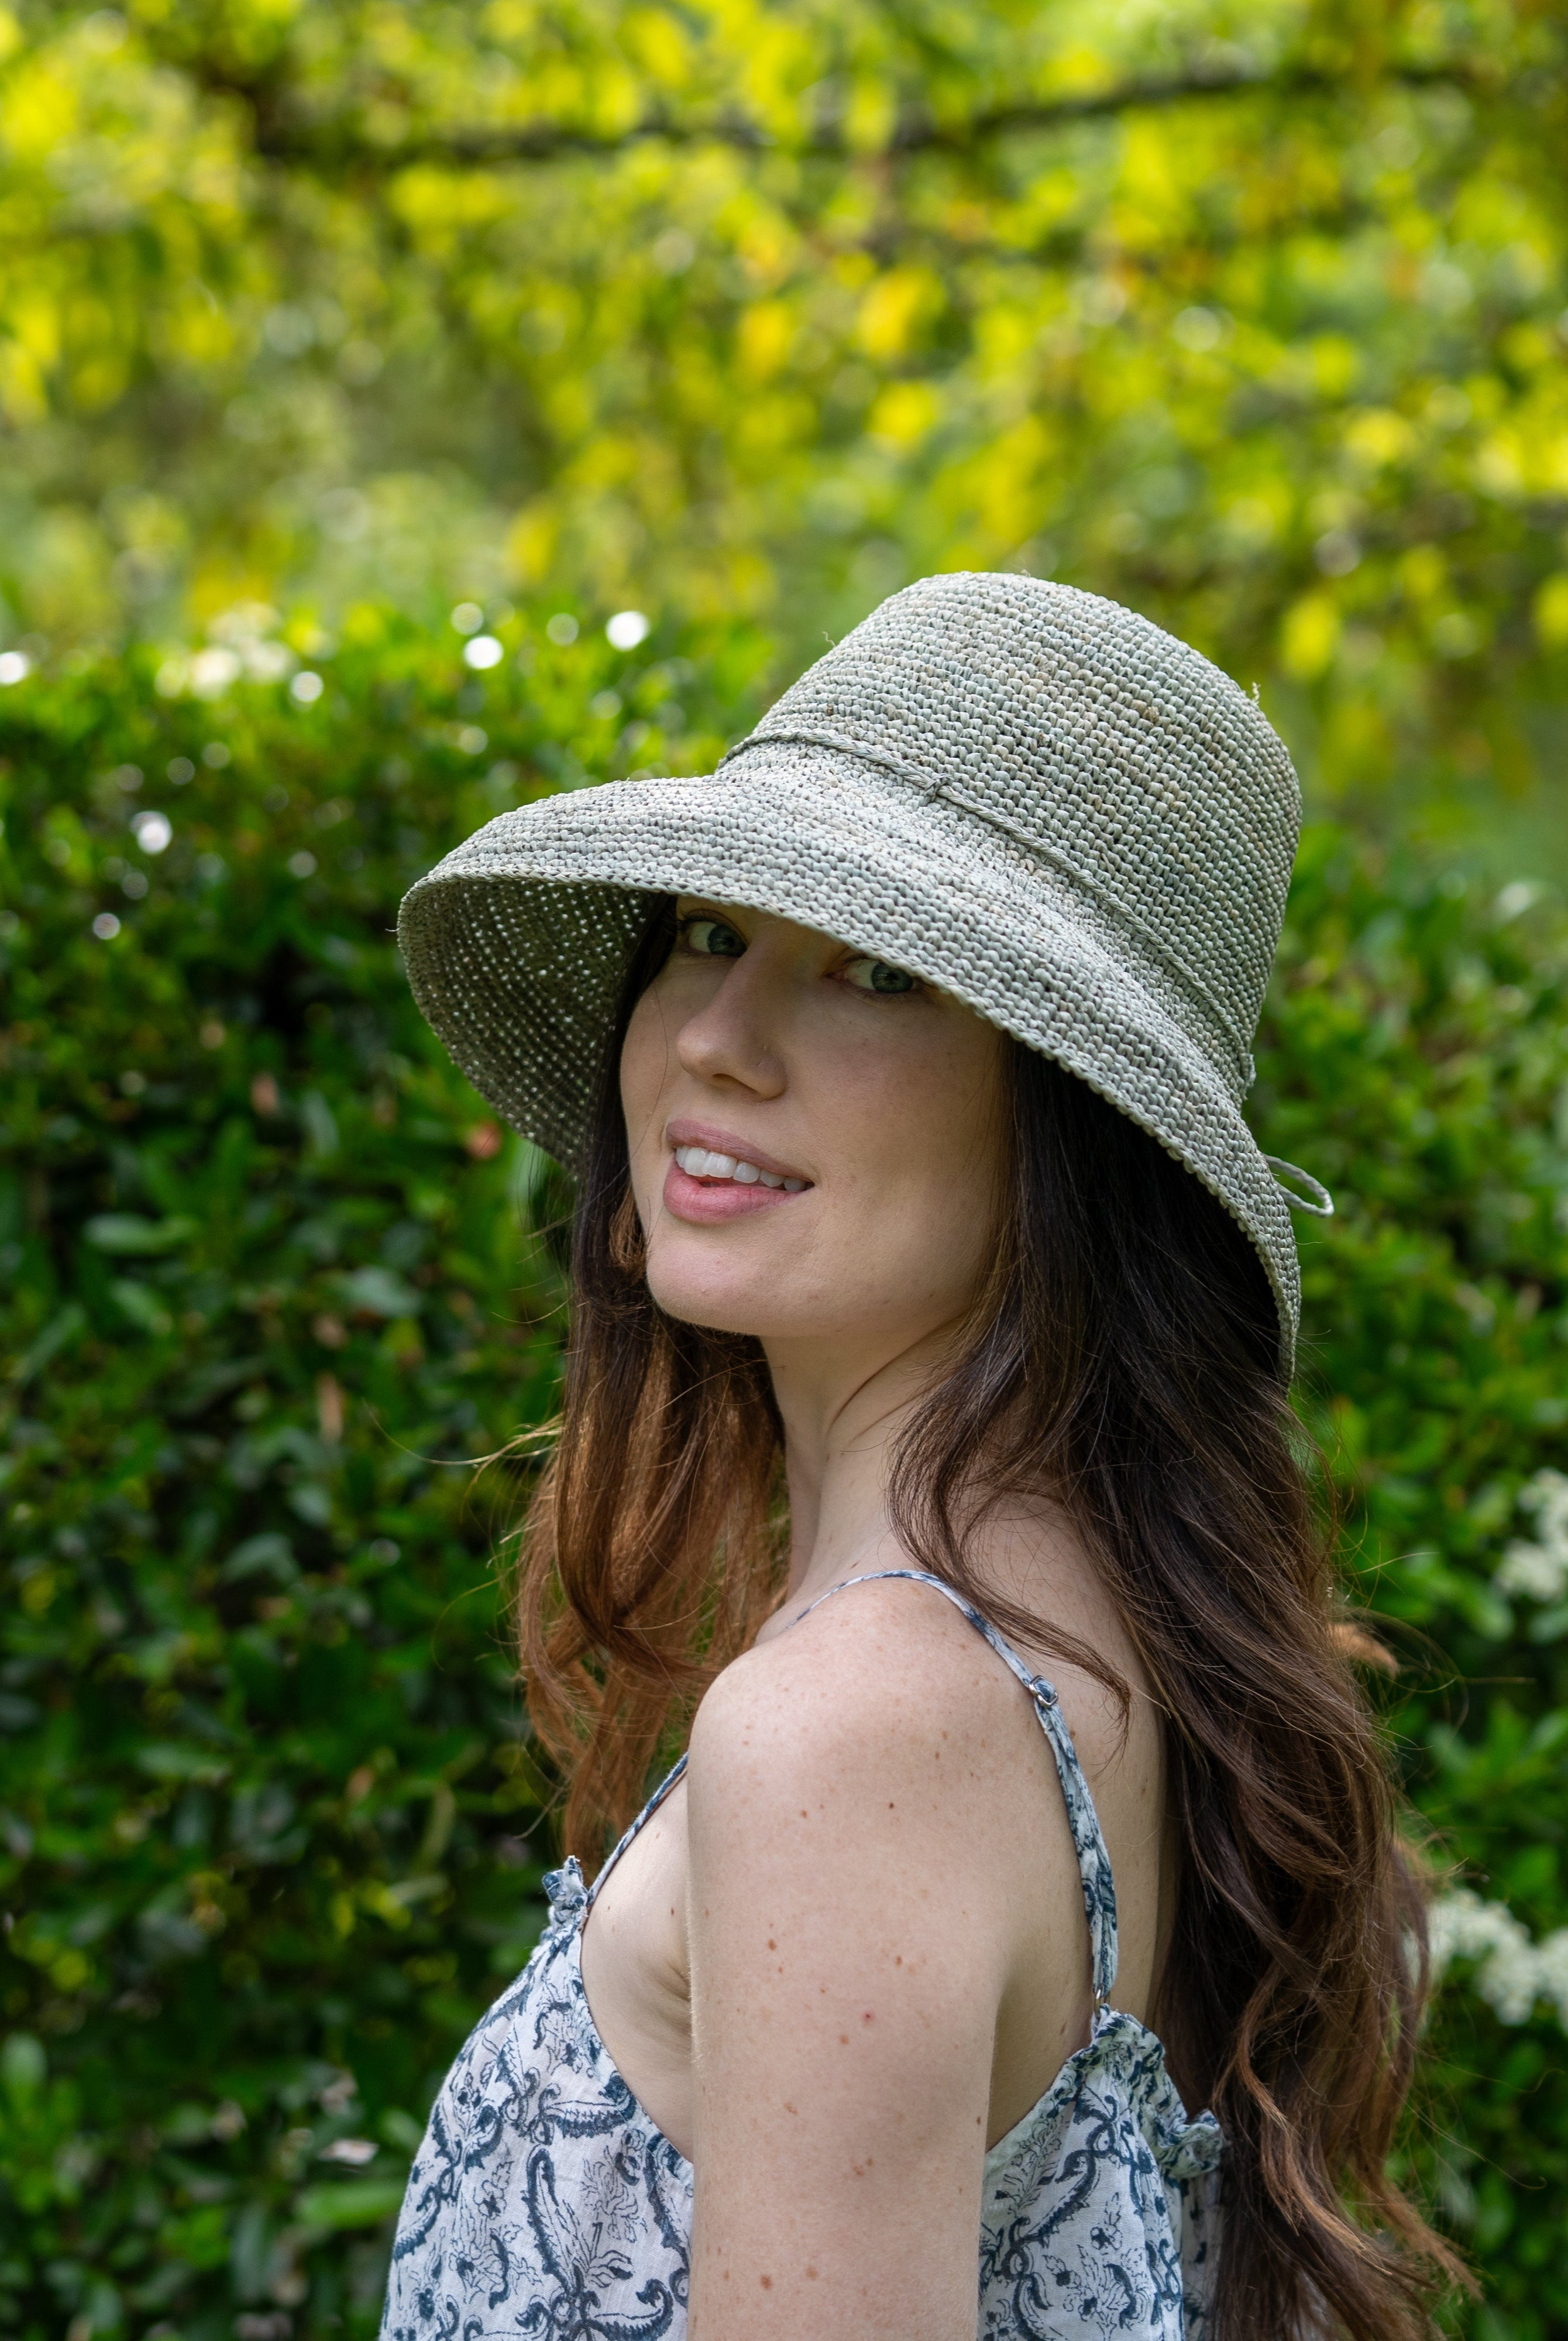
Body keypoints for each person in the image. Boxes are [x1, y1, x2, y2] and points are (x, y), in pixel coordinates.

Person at [383, 574, 1459, 2340]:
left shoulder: (854, 1731)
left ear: (1074, 1121)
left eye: (876, 973)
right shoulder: (1094, 1643)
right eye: (707, 936)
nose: (717, 1038)